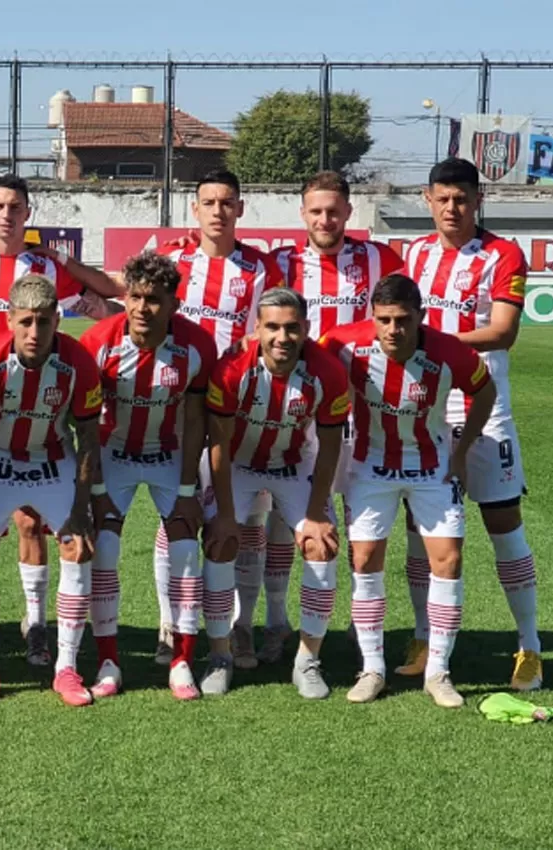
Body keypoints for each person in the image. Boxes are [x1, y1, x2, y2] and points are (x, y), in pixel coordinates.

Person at [0, 174, 119, 668]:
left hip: (41, 411)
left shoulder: (45, 265)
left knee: (32, 521)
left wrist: (70, 266)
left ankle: (35, 624)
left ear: (28, 212)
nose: (7, 214)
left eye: (16, 206)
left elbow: (104, 299)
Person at [236, 172, 404, 667]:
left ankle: (360, 626)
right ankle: (270, 622)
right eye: (315, 211)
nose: (325, 220)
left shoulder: (380, 260)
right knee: (269, 523)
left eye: (333, 211)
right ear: (302, 213)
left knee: (357, 525)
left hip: (360, 415)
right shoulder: (280, 265)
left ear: (349, 211)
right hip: (289, 410)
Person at [321, 273, 495, 708]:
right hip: (370, 467)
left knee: (448, 561)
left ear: (421, 317)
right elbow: (307, 362)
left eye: (402, 320)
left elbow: (485, 390)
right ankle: (373, 668)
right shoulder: (343, 344)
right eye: (384, 320)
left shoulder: (450, 351)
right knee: (363, 559)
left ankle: (438, 672)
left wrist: (462, 450)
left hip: (432, 467)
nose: (393, 330)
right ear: (372, 318)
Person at [403, 158, 541, 691]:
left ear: (477, 200)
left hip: (485, 411)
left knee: (504, 527)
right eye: (442, 198)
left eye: (461, 198)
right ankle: (422, 636)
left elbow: (503, 332)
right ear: (428, 199)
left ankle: (530, 644)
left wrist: (430, 342)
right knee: (421, 533)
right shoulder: (412, 255)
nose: (452, 208)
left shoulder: (503, 253)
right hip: (425, 411)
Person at [155, 169, 283, 669]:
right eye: (208, 201)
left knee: (248, 520)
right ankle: (170, 624)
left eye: (226, 202)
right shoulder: (173, 261)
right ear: (194, 208)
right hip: (176, 405)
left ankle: (241, 624)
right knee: (176, 518)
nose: (217, 210)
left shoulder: (261, 268)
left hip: (239, 405)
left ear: (240, 209)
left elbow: (266, 332)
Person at [0, 275, 102, 706]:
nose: (34, 333)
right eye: (25, 322)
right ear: (9, 320)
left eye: (43, 322)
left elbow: (89, 441)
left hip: (51, 458)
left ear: (59, 320)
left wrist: (79, 509)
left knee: (77, 545)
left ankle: (67, 668)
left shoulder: (79, 363)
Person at [77, 254, 216, 701]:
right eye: (134, 297)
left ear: (173, 304)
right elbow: (84, 423)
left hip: (167, 454)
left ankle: (180, 662)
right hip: (113, 453)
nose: (141, 308)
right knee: (107, 550)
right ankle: (108, 662)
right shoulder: (99, 341)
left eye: (153, 299)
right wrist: (94, 489)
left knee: (185, 553)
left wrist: (190, 488)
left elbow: (196, 420)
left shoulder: (196, 346)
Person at [203, 288, 351, 699]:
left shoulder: (327, 372)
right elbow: (217, 444)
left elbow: (329, 445)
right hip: (235, 464)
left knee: (322, 546)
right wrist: (226, 515)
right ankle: (220, 655)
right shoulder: (232, 367)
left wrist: (320, 511)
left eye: (291, 328)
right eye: (272, 327)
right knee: (221, 542)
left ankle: (307, 659)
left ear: (305, 329)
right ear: (257, 329)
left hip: (293, 464)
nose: (282, 337)